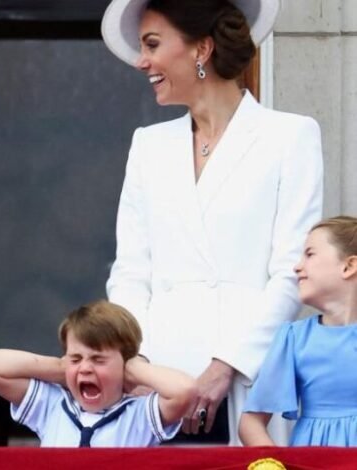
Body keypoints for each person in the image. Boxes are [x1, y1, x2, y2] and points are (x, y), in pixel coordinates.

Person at [101, 0, 323, 445]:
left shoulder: (289, 137)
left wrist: (226, 366)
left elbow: (290, 273)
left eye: (152, 45)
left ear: (201, 48)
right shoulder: (148, 146)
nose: (142, 62)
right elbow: (130, 273)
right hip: (156, 385)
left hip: (247, 378)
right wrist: (138, 365)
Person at [0, 300, 195, 447]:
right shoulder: (52, 406)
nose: (85, 368)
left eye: (98, 360)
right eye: (76, 358)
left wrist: (134, 369)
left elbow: (185, 390)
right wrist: (61, 369)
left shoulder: (139, 416)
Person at [240, 216, 357, 447]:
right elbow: (251, 422)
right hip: (311, 461)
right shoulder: (294, 338)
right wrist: (274, 462)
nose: (297, 267)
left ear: (349, 266)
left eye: (309, 254)